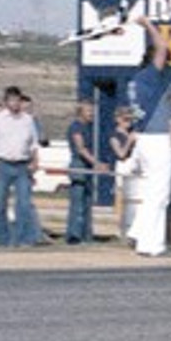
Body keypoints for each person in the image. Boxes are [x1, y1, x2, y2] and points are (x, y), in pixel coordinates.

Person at [125, 16, 171, 257]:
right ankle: (152, 245)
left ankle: (139, 234)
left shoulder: (137, 82)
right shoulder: (151, 75)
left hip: (144, 137)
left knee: (151, 192)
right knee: (160, 194)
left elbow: (164, 102)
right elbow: (163, 46)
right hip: (156, 139)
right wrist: (147, 25)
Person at [0, 85, 41, 247]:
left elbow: (33, 144)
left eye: (18, 100)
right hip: (2, 164)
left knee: (24, 204)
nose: (15, 104)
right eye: (11, 100)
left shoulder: (27, 120)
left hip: (22, 165)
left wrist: (35, 161)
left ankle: (24, 239)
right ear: (6, 102)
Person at [66, 101, 108, 244]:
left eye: (92, 111)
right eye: (89, 111)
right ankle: (74, 235)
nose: (92, 114)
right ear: (80, 112)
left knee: (87, 202)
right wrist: (97, 163)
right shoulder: (76, 127)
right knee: (77, 202)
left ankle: (86, 235)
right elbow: (81, 148)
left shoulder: (89, 127)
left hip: (88, 166)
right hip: (79, 165)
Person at [109, 107, 137, 236]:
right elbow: (121, 154)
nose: (128, 122)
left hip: (134, 166)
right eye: (126, 119)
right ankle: (122, 228)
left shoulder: (132, 132)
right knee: (122, 198)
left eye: (130, 120)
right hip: (123, 166)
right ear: (118, 120)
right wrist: (129, 142)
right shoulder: (115, 136)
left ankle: (133, 226)